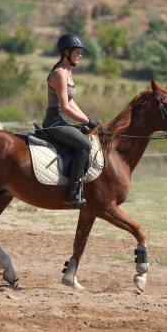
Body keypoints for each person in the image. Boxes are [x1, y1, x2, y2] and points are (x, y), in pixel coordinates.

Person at [43, 33, 98, 208]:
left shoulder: (68, 71)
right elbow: (65, 107)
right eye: (78, 52)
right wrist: (87, 121)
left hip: (65, 121)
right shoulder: (59, 73)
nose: (80, 55)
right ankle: (72, 193)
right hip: (55, 122)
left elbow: (71, 102)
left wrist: (87, 119)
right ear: (66, 52)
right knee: (84, 146)